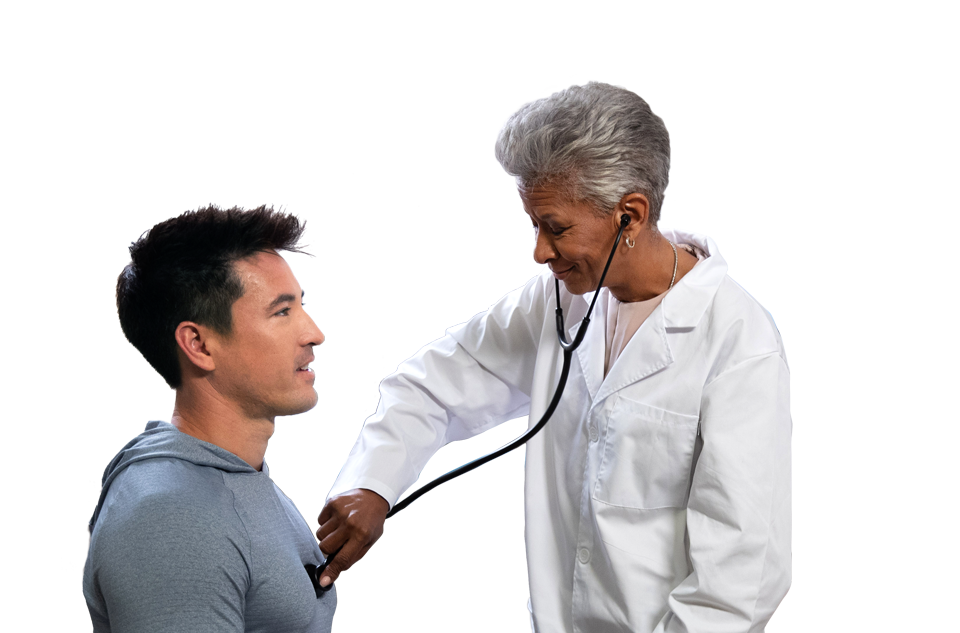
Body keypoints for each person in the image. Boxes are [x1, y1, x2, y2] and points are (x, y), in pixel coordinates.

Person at [316, 82, 792, 632]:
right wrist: (372, 483)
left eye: (556, 228)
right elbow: (430, 383)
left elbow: (741, 570)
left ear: (629, 216)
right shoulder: (561, 300)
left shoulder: (737, 344)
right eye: (535, 225)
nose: (540, 252)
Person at [83, 206, 336, 633]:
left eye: (301, 306)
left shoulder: (229, 473)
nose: (314, 333)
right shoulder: (172, 519)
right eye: (282, 312)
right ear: (198, 344)